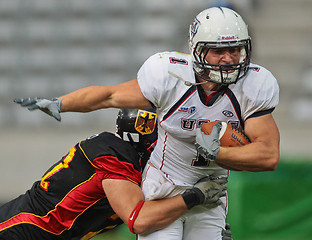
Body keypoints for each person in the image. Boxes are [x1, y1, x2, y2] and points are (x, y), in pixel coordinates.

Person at [14, 6, 280, 239]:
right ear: (197, 50)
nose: (229, 59)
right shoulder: (170, 74)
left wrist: (217, 153)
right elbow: (109, 95)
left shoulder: (254, 85)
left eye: (235, 50)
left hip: (211, 193)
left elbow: (268, 155)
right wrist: (61, 103)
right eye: (218, 51)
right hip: (163, 185)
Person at [0, 108, 229, 240]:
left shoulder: (126, 158)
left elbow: (156, 206)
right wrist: (194, 197)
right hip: (9, 234)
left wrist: (201, 227)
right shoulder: (115, 158)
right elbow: (139, 219)